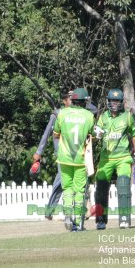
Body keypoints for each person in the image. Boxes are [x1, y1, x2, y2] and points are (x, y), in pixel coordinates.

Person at [93, 88, 135, 230]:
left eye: (117, 101)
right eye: (112, 101)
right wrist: (96, 133)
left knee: (123, 185)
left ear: (121, 102)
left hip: (123, 157)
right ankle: (100, 220)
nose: (114, 104)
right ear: (108, 102)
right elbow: (96, 132)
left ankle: (124, 219)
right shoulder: (103, 117)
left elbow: (134, 135)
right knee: (101, 189)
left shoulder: (127, 116)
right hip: (106, 158)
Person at [53, 88, 94, 231]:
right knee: (79, 191)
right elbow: (91, 135)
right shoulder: (89, 116)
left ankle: (68, 215)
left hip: (64, 158)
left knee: (67, 189)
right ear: (84, 101)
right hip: (80, 159)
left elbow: (56, 134)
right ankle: (77, 221)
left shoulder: (62, 113)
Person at [33, 90, 72, 220]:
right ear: (64, 101)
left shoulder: (79, 114)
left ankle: (51, 211)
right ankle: (51, 210)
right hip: (61, 153)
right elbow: (46, 134)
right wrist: (39, 152)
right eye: (70, 99)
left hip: (76, 154)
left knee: (69, 182)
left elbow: (93, 109)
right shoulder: (57, 114)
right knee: (61, 180)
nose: (73, 101)